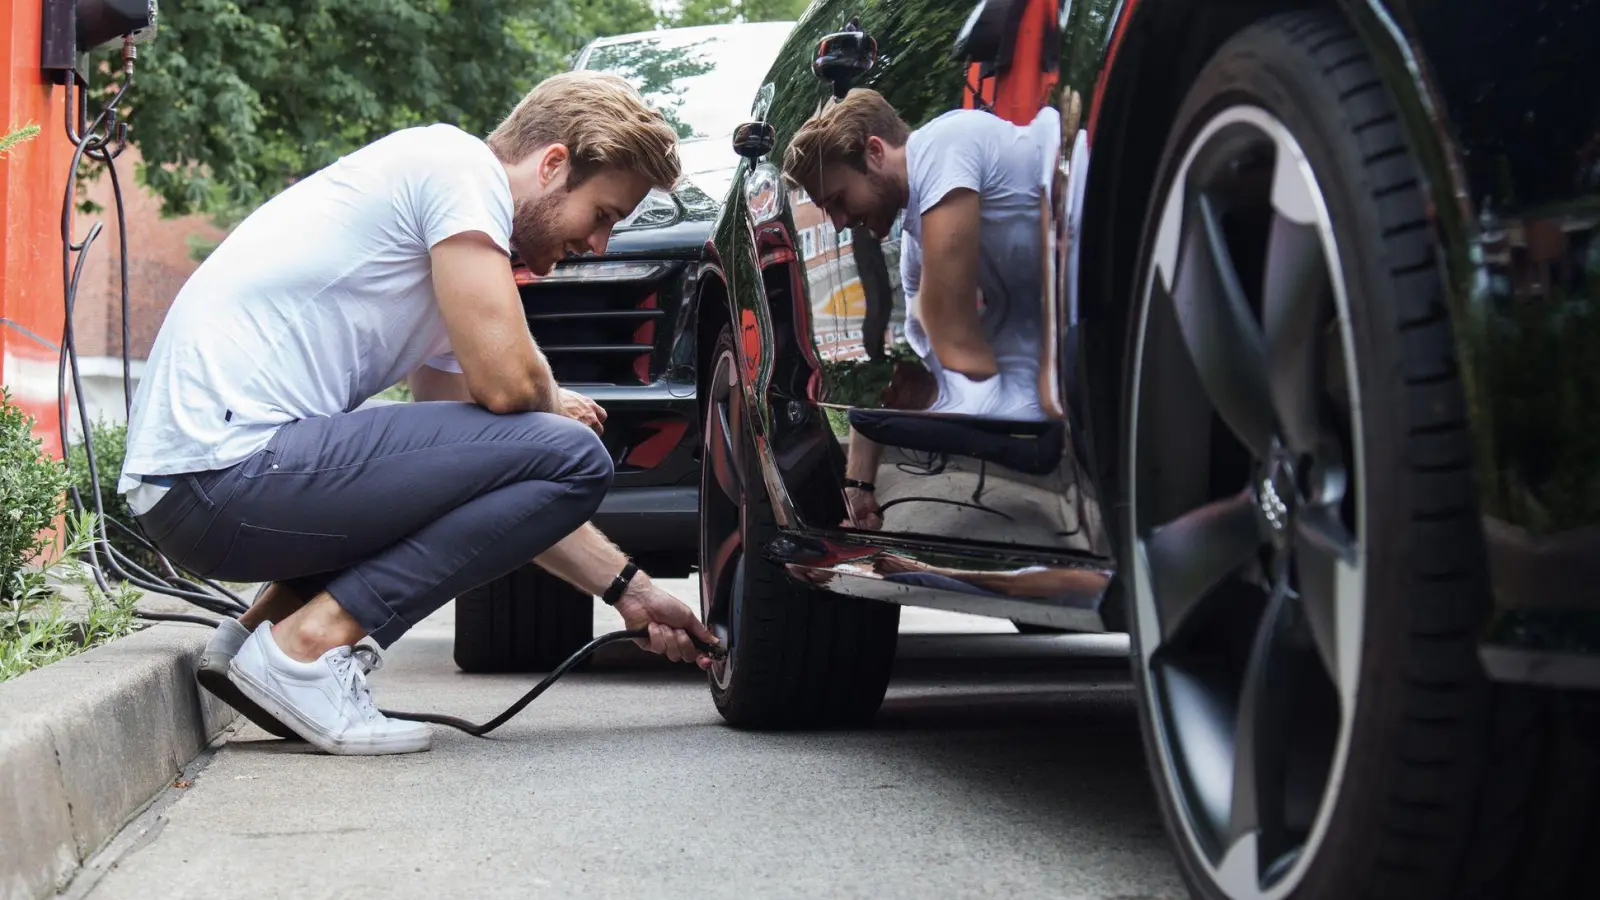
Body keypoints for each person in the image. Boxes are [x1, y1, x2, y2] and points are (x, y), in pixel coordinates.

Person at [117, 70, 721, 757]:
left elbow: (480, 484)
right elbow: (512, 388)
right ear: (553, 166)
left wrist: (630, 591)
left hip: (200, 492)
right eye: (604, 215)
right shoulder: (458, 168)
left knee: (549, 454)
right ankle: (305, 649)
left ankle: (259, 636)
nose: (599, 244)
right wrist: (552, 400)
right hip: (223, 475)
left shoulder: (441, 252)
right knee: (575, 450)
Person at [781, 88, 1061, 530]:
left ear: (874, 152)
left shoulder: (946, 143)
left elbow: (951, 334)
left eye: (837, 199)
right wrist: (859, 487)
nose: (837, 222)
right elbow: (899, 375)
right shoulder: (914, 244)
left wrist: (941, 395)